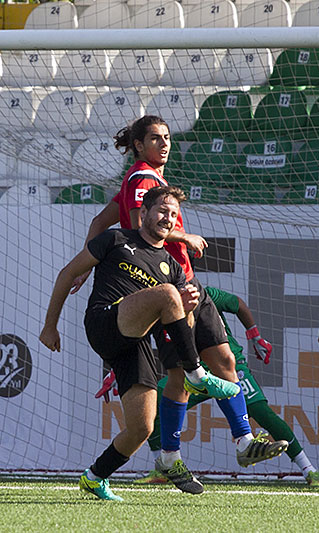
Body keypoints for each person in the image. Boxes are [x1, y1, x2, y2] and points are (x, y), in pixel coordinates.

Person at [72, 115, 286, 495]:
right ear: (138, 145)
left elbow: (98, 221)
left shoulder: (148, 180)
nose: (164, 144)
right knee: (182, 375)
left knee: (224, 360)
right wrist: (184, 235)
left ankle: (242, 442)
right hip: (165, 285)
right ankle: (170, 455)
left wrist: (88, 263)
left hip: (187, 282)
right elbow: (142, 221)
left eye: (167, 137)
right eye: (155, 138)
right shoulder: (141, 179)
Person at [39, 187, 240, 501]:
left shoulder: (170, 266)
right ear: (142, 213)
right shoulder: (116, 239)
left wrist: (187, 307)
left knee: (142, 428)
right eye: (162, 210)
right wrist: (50, 326)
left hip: (134, 341)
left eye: (173, 214)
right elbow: (67, 274)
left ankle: (95, 477)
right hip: (104, 322)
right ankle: (196, 374)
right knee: (170, 294)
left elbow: (175, 319)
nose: (168, 218)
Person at [132, 286, 319, 486]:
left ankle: (309, 470)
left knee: (261, 412)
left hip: (227, 367)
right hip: (193, 370)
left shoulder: (203, 293)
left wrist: (255, 336)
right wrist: (122, 370)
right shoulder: (163, 302)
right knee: (155, 402)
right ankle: (163, 467)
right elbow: (140, 334)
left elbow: (238, 304)